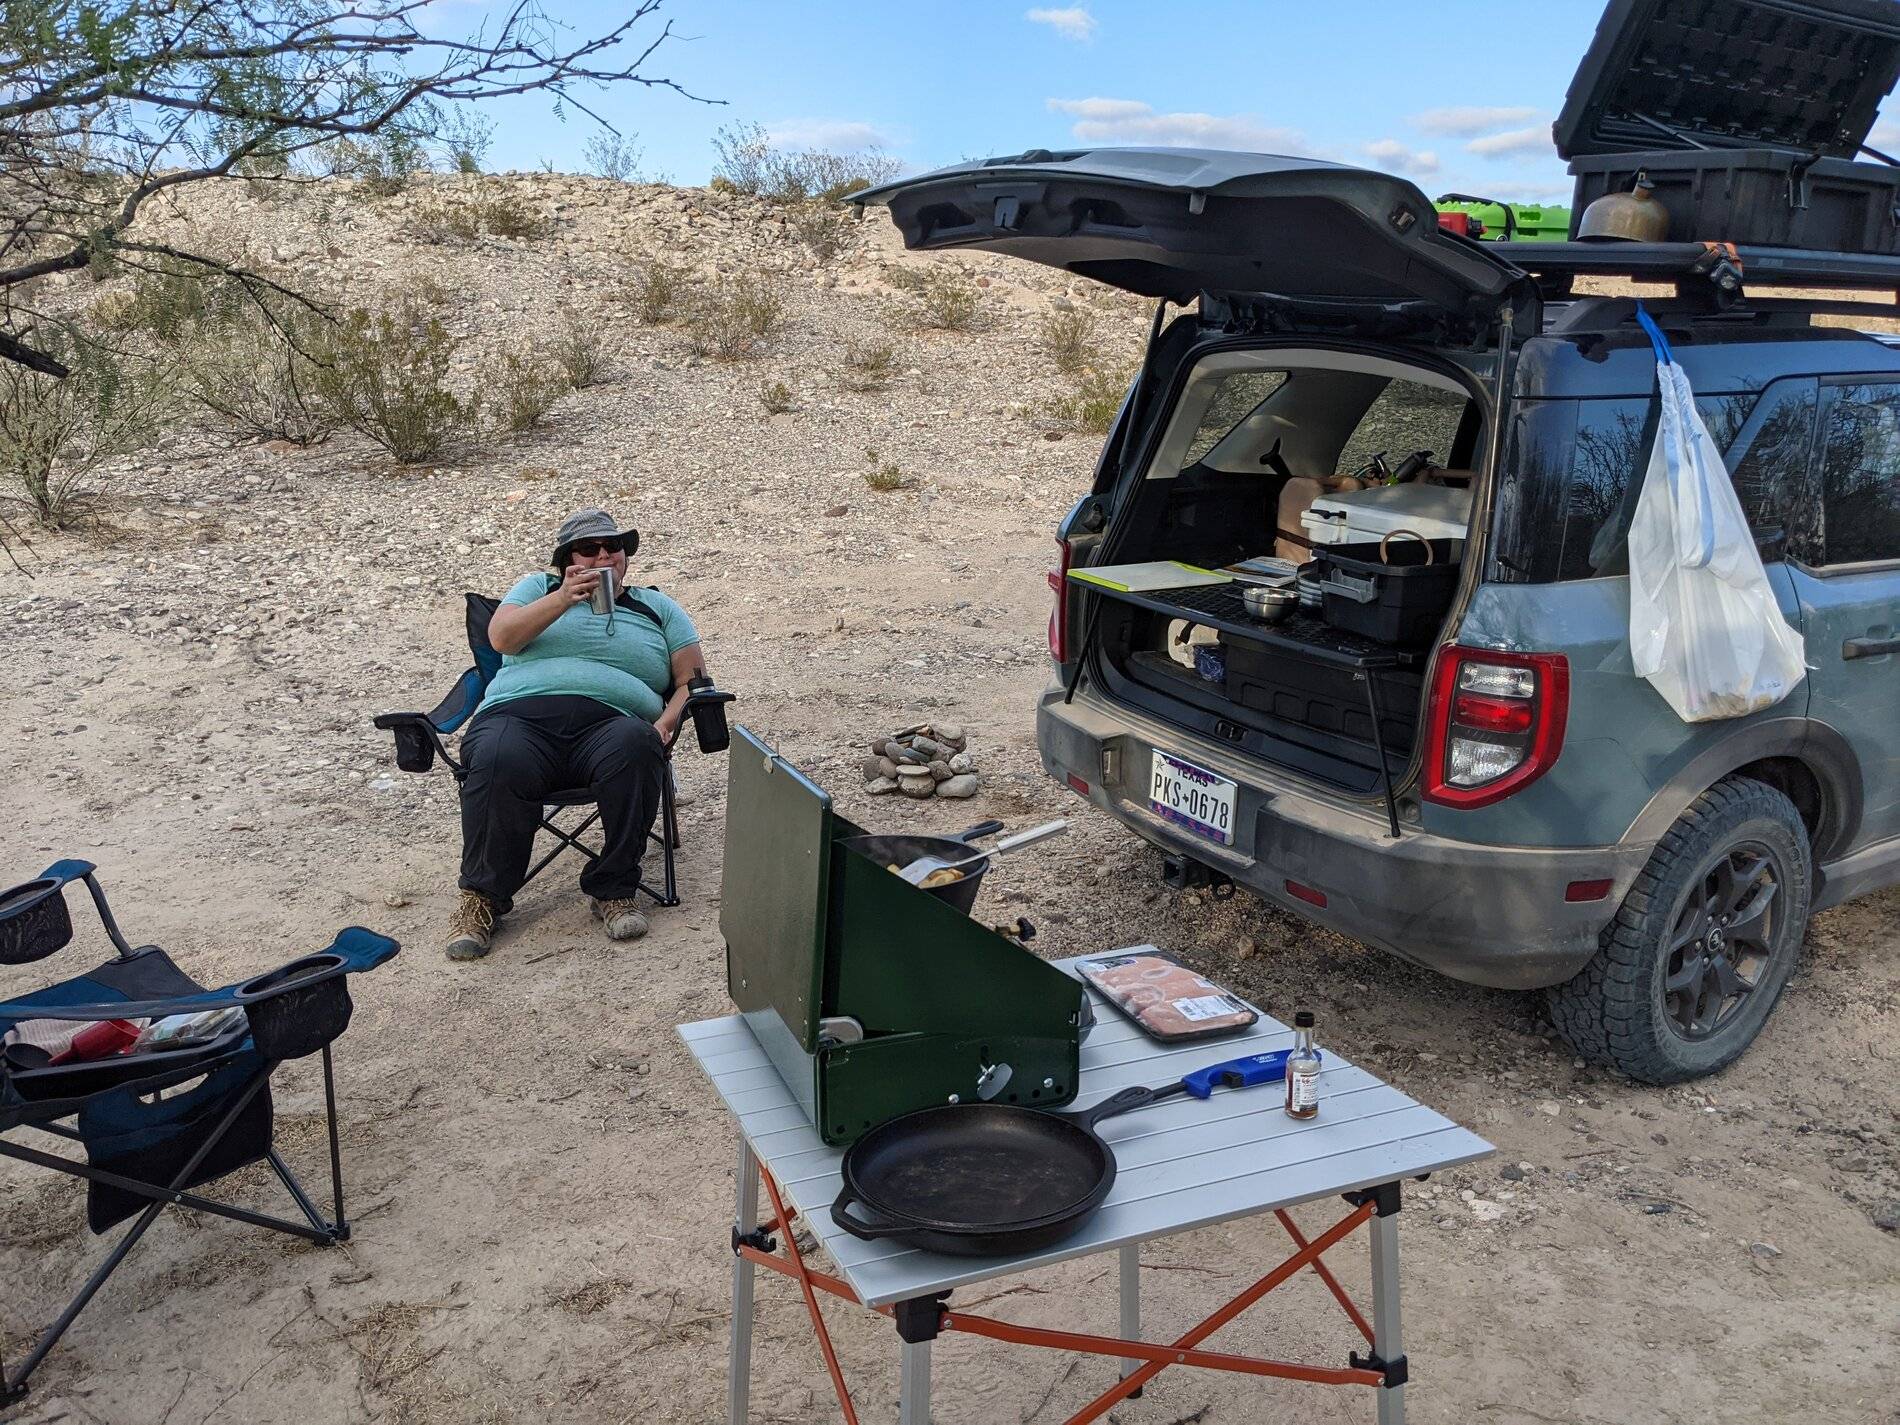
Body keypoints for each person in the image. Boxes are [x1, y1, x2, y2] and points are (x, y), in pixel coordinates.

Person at [445, 508, 706, 961]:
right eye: (589, 549)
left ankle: (613, 889)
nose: (604, 555)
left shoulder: (657, 607)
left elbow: (693, 681)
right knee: (496, 754)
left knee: (636, 745)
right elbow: (502, 639)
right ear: (567, 559)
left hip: (611, 724)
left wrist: (665, 724)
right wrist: (564, 598)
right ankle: (482, 900)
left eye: (614, 547)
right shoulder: (538, 589)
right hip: (519, 717)